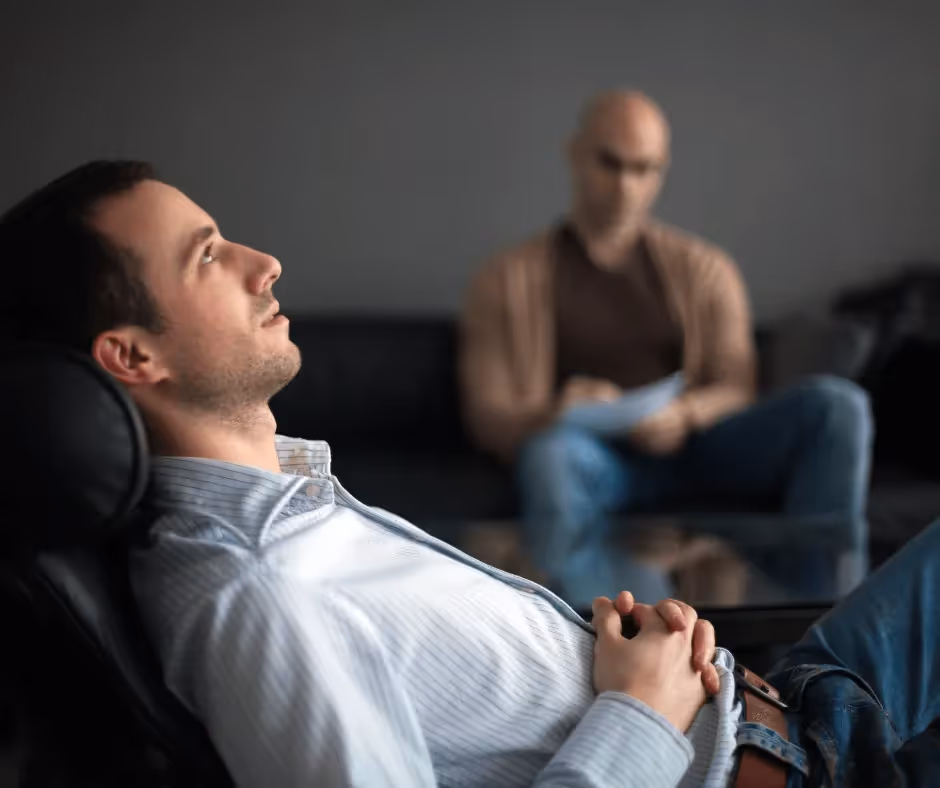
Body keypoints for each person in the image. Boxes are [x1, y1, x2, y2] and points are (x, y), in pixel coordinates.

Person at [2, 161, 937, 787]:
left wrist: (638, 667)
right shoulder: (258, 595)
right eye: (209, 257)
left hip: (792, 699)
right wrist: (639, 709)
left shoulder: (291, 516)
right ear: (131, 358)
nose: (264, 263)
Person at [459, 91, 874, 608]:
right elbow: (487, 416)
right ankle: (578, 640)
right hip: (591, 458)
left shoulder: (706, 268)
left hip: (699, 447)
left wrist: (686, 412)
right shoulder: (505, 278)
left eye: (645, 169)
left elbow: (736, 385)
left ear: (663, 170)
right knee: (551, 455)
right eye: (610, 163)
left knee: (839, 407)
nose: (626, 187)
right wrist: (557, 410)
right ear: (575, 153)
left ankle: (827, 633)